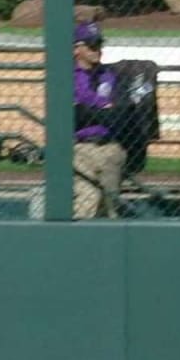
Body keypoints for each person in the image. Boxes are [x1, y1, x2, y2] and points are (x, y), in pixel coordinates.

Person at [72, 21, 127, 219]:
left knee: (110, 206)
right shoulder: (68, 75)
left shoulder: (108, 74)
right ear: (77, 49)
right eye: (92, 45)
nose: (98, 50)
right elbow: (79, 106)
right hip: (79, 148)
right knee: (88, 200)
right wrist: (101, 107)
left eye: (99, 45)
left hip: (110, 147)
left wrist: (94, 109)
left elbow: (119, 107)